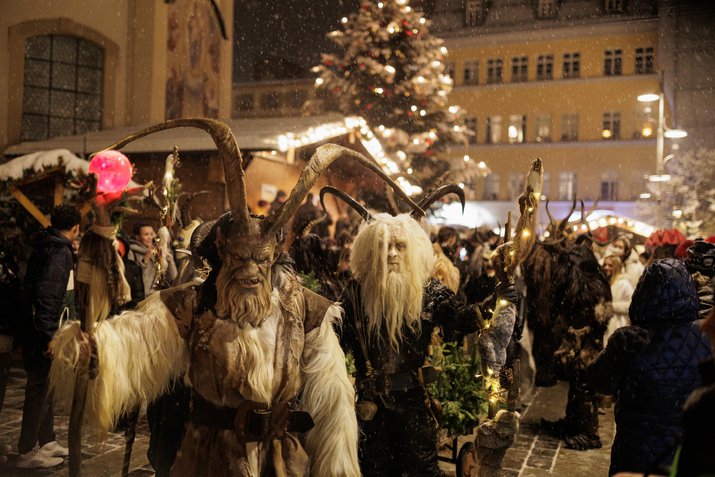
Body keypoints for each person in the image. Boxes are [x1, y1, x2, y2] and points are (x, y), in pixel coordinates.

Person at [49, 121, 361, 477]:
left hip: (280, 462)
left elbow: (333, 402)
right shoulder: (192, 303)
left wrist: (336, 465)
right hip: (209, 458)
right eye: (240, 258)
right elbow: (137, 340)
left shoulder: (306, 310)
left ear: (274, 257)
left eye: (260, 259)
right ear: (223, 253)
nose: (250, 270)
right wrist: (94, 348)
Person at [339, 213, 505, 477]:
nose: (392, 254)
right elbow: (334, 339)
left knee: (423, 470)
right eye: (384, 246)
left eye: (400, 246)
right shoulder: (355, 294)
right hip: (371, 407)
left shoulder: (430, 292)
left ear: (412, 250)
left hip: (414, 403)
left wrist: (499, 297)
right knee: (373, 469)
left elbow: (464, 318)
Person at [586, 258, 712, 476]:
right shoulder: (706, 337)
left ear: (644, 293)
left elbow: (600, 383)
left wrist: (617, 351)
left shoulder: (631, 340)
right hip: (684, 454)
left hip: (636, 453)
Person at [17, 204, 81, 468]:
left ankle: (46, 440)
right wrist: (50, 336)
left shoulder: (48, 245)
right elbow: (47, 295)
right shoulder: (58, 251)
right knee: (39, 389)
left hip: (40, 331)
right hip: (43, 334)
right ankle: (27, 450)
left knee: (47, 387)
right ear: (76, 227)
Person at [126, 222, 178, 297]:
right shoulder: (131, 252)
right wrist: (145, 260)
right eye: (146, 234)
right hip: (139, 298)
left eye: (151, 234)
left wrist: (169, 260)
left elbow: (172, 277)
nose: (150, 237)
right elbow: (131, 278)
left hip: (156, 298)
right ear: (137, 237)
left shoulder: (156, 253)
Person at [602, 255, 634, 342]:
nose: (606, 267)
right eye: (604, 265)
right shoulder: (604, 283)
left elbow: (633, 304)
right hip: (606, 323)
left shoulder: (624, 283)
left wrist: (613, 306)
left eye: (610, 265)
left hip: (619, 323)